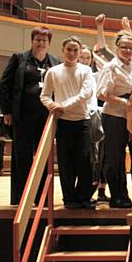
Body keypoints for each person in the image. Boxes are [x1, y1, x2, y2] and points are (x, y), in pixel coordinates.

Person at [0, 26, 60, 205]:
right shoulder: (19, 59)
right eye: (37, 39)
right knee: (21, 156)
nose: (41, 43)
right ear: (32, 41)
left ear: (49, 43)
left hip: (46, 118)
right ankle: (21, 196)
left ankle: (42, 197)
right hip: (23, 116)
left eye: (44, 40)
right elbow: (4, 85)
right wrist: (7, 111)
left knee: (43, 156)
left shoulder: (55, 61)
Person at [40, 36, 94, 209]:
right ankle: (69, 199)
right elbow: (45, 95)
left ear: (79, 52)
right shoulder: (53, 71)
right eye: (69, 49)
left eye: (75, 50)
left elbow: (85, 94)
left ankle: (83, 197)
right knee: (65, 162)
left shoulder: (85, 70)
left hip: (82, 121)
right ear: (63, 50)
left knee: (85, 161)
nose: (72, 53)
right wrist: (52, 105)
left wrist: (63, 105)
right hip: (63, 123)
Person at [96, 31, 132, 208]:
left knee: (122, 157)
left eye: (130, 48)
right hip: (114, 116)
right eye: (124, 47)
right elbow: (101, 93)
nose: (127, 50)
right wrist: (123, 101)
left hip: (128, 116)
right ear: (117, 48)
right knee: (114, 157)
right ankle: (116, 196)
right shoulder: (111, 67)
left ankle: (124, 195)